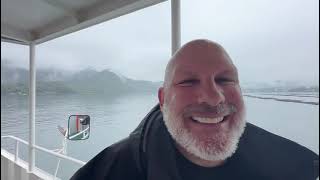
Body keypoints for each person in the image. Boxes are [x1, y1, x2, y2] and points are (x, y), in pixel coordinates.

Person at [71, 39, 319, 180]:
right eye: (188, 82)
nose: (212, 98)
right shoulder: (108, 172)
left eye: (225, 80)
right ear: (163, 98)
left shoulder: (292, 167)